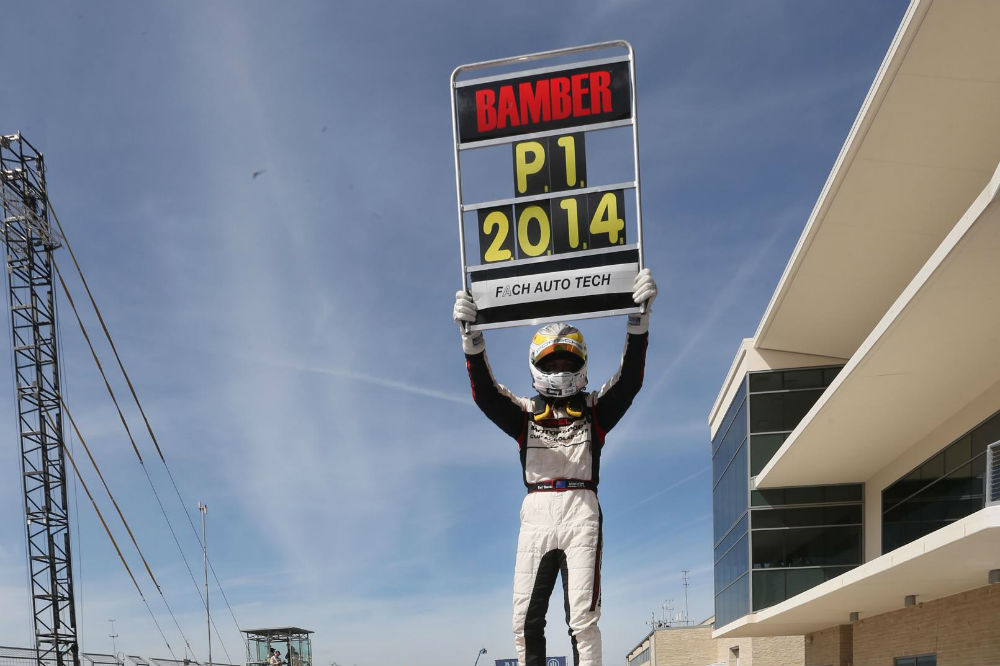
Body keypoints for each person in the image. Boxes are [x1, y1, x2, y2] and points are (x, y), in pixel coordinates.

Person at [453, 268, 657, 666]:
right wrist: (472, 343)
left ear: (582, 363)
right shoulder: (525, 413)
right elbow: (488, 397)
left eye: (568, 358)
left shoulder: (595, 408)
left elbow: (629, 381)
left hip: (582, 511)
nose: (562, 366)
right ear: (536, 364)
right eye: (553, 359)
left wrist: (638, 324)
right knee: (524, 622)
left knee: (583, 619)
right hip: (536, 514)